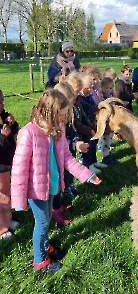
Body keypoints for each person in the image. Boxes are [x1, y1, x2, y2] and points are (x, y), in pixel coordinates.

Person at [11, 89, 101, 273]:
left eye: (65, 114)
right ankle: (40, 261)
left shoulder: (57, 129)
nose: (64, 119)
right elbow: (19, 170)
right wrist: (19, 201)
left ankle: (44, 245)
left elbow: (67, 157)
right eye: (61, 115)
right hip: (36, 191)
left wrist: (87, 175)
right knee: (43, 222)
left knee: (48, 218)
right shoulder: (28, 133)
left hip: (52, 186)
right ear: (49, 112)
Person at [55, 80, 89, 202]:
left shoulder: (67, 112)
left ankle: (70, 185)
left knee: (69, 170)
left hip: (69, 149)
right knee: (62, 172)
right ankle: (64, 190)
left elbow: (71, 129)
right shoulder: (52, 119)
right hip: (59, 153)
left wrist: (76, 142)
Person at [73, 74, 107, 174]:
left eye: (90, 88)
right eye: (85, 88)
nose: (88, 90)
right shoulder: (81, 100)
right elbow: (83, 117)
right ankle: (87, 164)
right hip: (84, 130)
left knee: (93, 145)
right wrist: (89, 128)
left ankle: (93, 161)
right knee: (87, 146)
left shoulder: (90, 98)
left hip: (91, 126)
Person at [0, 90, 19, 240]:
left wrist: (12, 124)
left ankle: (7, 220)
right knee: (1, 196)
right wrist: (3, 137)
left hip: (6, 165)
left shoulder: (2, 117)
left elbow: (13, 132)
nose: (2, 105)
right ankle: (1, 228)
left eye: (2, 101)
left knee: (6, 195)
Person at [100, 77, 118, 165]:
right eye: (106, 88)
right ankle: (105, 157)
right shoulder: (102, 97)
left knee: (110, 137)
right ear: (102, 87)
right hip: (105, 121)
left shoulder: (111, 96)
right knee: (105, 139)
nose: (108, 90)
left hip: (112, 120)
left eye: (110, 88)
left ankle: (108, 154)